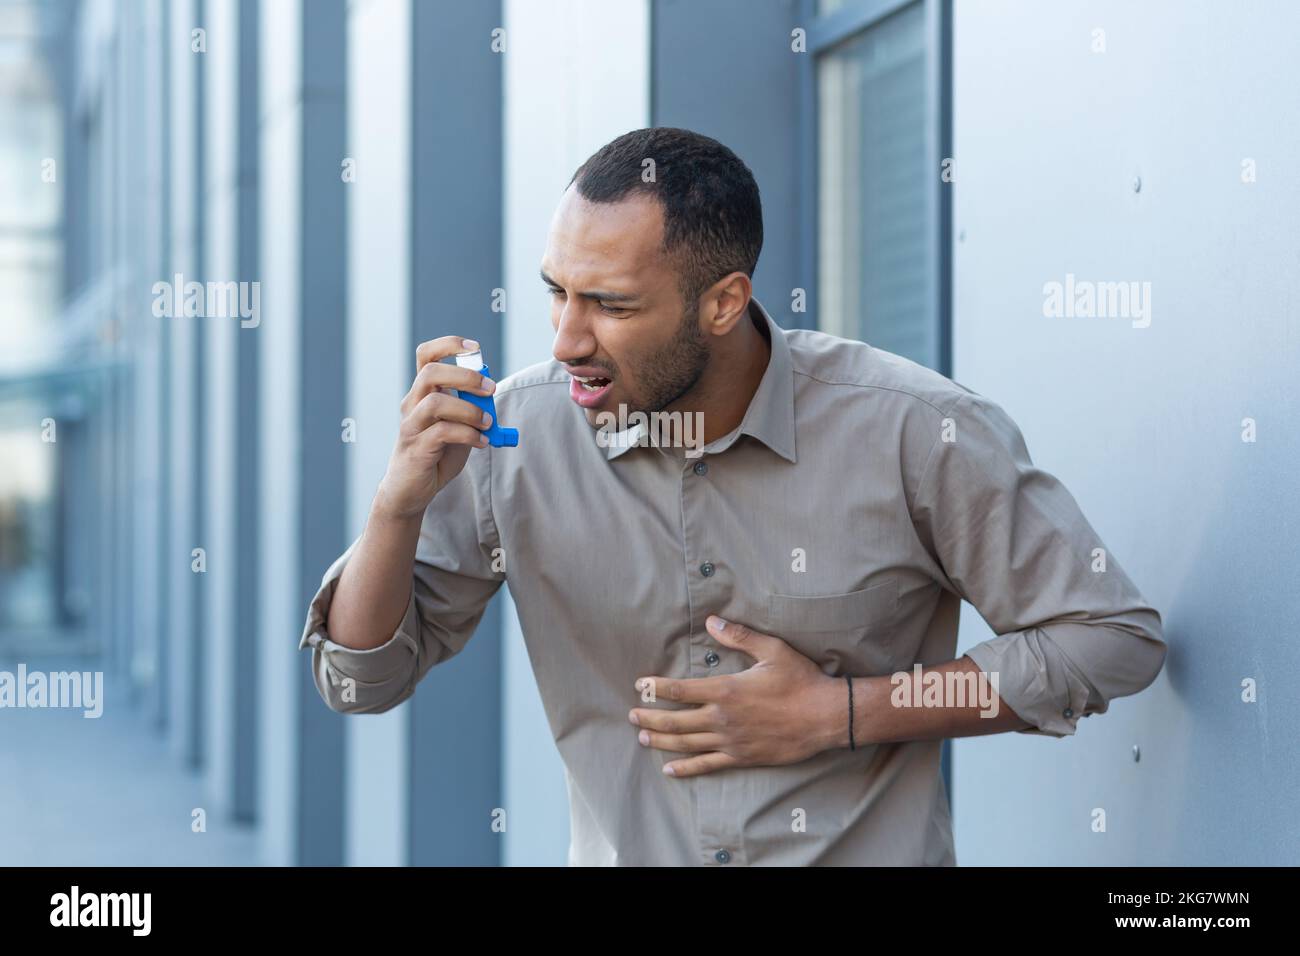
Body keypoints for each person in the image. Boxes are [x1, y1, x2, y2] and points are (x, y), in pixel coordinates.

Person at [298, 127, 1166, 866]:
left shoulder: (914, 432)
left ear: (723, 303)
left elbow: (1112, 640)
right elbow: (360, 681)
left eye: (609, 304)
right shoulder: (510, 439)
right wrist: (396, 505)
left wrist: (845, 713)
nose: (565, 339)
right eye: (556, 292)